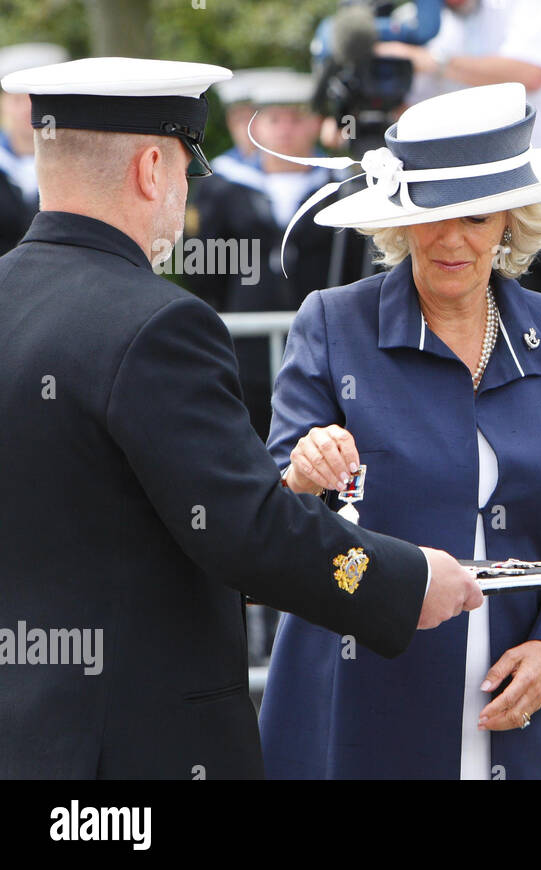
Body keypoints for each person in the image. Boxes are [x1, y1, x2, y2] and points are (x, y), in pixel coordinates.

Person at [0, 57, 482, 779]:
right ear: (151, 169)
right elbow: (245, 529)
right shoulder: (158, 324)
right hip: (130, 753)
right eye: (187, 176)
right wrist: (406, 580)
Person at [256, 82, 541, 779]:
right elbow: (276, 513)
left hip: (510, 708)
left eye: (475, 217)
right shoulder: (333, 322)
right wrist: (304, 472)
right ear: (400, 219)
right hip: (361, 697)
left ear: (511, 219)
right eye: (432, 214)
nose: (452, 239)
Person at [378, 0, 541, 299]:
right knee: (524, 305)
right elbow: (428, 108)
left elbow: (528, 72)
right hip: (519, 184)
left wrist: (429, 60)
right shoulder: (442, 22)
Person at [189, 69, 369, 442]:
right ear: (258, 125)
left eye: (298, 118)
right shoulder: (223, 186)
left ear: (317, 122)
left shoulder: (344, 186)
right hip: (247, 350)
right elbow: (204, 271)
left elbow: (358, 269)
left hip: (325, 348)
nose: (286, 129)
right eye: (273, 119)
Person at [0, 43, 66, 254]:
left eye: (36, 101)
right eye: (18, 100)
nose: (28, 110)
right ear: (4, 104)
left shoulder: (78, 164)